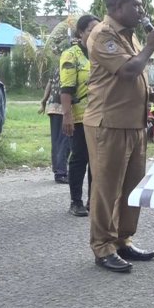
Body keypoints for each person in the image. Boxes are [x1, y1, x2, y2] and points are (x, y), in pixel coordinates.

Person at [84, 0, 154, 273]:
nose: (141, 11)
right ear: (117, 7)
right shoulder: (103, 35)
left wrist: (149, 92)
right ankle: (102, 246)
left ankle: (122, 240)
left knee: (132, 187)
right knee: (107, 188)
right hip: (109, 123)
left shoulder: (129, 36)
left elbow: (135, 73)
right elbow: (128, 70)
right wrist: (152, 45)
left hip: (134, 123)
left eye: (141, 6)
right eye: (136, 6)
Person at [61, 14, 99, 217]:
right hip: (80, 116)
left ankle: (94, 201)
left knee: (98, 160)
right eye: (91, 30)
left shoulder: (101, 53)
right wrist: (67, 116)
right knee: (80, 158)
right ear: (81, 33)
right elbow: (66, 89)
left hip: (101, 115)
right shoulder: (71, 55)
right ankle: (75, 201)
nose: (95, 33)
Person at [40, 37, 71, 184]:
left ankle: (58, 169)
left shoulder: (57, 66)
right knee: (64, 140)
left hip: (53, 106)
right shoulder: (70, 65)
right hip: (63, 107)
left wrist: (44, 102)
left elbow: (49, 85)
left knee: (57, 140)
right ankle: (61, 172)